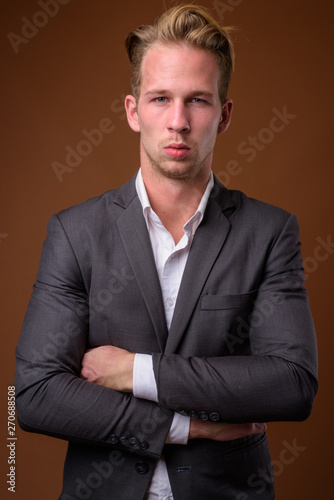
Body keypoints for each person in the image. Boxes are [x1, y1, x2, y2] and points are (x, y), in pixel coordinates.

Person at [15, 4, 318, 499]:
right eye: (160, 99)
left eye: (197, 100)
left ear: (224, 115)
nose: (178, 121)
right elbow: (35, 395)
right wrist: (188, 427)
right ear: (134, 111)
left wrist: (134, 371)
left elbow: (291, 383)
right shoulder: (75, 231)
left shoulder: (270, 231)